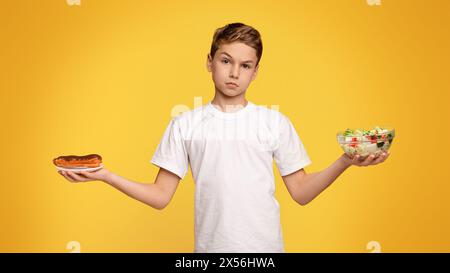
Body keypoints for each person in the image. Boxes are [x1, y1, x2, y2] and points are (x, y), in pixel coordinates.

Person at [58, 22, 390, 253]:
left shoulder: (274, 122)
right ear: (210, 62)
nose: (234, 73)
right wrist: (105, 176)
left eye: (246, 66)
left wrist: (346, 160)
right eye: (226, 61)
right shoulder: (185, 124)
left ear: (256, 71)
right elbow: (161, 197)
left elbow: (301, 192)